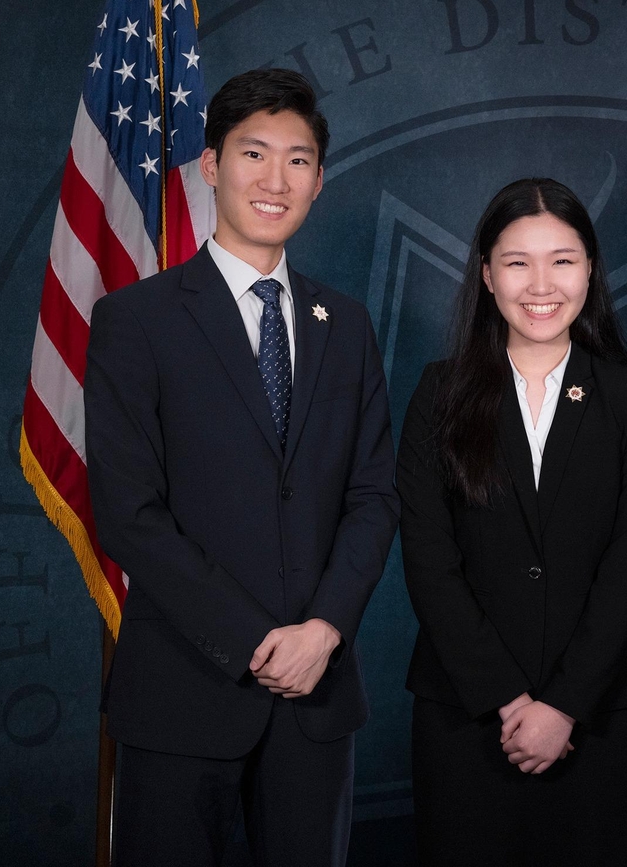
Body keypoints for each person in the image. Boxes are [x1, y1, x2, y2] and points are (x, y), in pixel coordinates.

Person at [84, 68, 399, 867]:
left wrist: (322, 630)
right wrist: (259, 640)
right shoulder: (137, 320)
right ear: (211, 166)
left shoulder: (346, 323)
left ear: (319, 181)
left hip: (317, 695)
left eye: (297, 160)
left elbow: (372, 495)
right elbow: (129, 512)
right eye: (253, 153)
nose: (275, 178)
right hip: (182, 692)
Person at [396, 177, 627, 866]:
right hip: (464, 710)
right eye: (518, 261)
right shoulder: (440, 391)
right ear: (487, 274)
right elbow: (428, 559)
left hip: (595, 714)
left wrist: (562, 705)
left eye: (563, 259)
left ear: (590, 270)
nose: (540, 283)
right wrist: (506, 696)